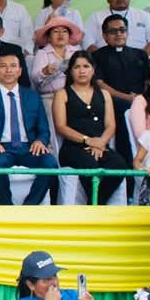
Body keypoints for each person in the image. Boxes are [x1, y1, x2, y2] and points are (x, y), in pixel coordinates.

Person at [0, 54, 57, 205]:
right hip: (1, 148)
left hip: (29, 148)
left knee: (50, 164)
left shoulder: (32, 96)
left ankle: (29, 207)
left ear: (20, 71)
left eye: (13, 66)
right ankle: (7, 207)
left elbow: (44, 129)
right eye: (3, 66)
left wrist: (40, 141)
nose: (8, 70)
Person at [53, 51, 127, 204]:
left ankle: (95, 204)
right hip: (74, 148)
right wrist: (88, 140)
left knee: (118, 165)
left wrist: (100, 142)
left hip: (100, 146)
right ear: (70, 71)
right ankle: (96, 206)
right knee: (90, 165)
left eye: (86, 66)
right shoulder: (62, 94)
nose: (82, 71)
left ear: (93, 70)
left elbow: (110, 125)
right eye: (77, 67)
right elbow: (61, 127)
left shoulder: (104, 94)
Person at [93, 14, 150, 164]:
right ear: (105, 36)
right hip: (114, 103)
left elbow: (148, 81)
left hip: (142, 102)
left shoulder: (140, 54)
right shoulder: (97, 56)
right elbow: (100, 83)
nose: (118, 34)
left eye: (122, 30)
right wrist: (128, 98)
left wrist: (139, 99)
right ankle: (126, 162)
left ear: (127, 32)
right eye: (113, 31)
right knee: (121, 108)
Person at [30, 16, 83, 154]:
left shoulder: (76, 52)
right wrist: (45, 71)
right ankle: (56, 159)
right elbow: (35, 79)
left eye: (64, 31)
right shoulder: (42, 53)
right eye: (56, 31)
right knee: (53, 130)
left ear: (69, 35)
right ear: (48, 37)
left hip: (74, 96)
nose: (60, 34)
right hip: (50, 97)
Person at [84, 0, 150, 54]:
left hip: (140, 59)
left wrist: (141, 57)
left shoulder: (144, 15)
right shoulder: (96, 17)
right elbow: (87, 41)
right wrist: (101, 58)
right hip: (105, 60)